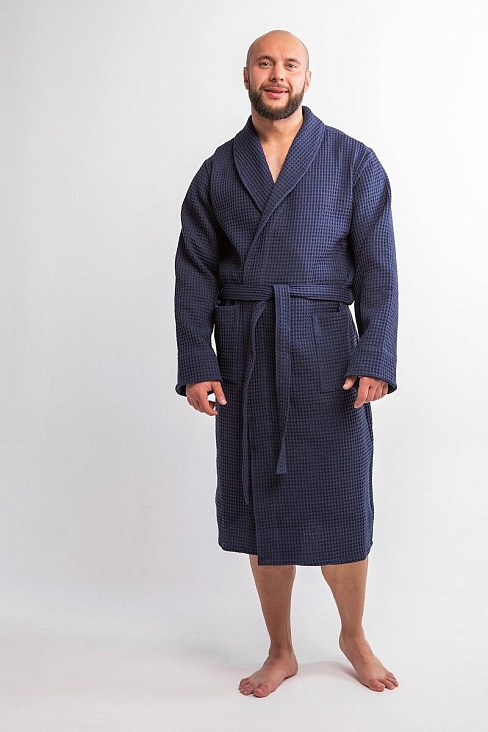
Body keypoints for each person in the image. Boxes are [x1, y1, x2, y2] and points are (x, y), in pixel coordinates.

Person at [174, 29, 399, 698]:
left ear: (306, 77)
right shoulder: (218, 170)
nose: (278, 74)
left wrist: (375, 354)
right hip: (247, 354)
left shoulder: (353, 161)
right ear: (247, 74)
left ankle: (353, 636)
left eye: (290, 64)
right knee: (263, 507)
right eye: (265, 63)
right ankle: (280, 650)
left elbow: (379, 267)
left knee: (342, 504)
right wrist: (198, 360)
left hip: (329, 357)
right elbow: (194, 271)